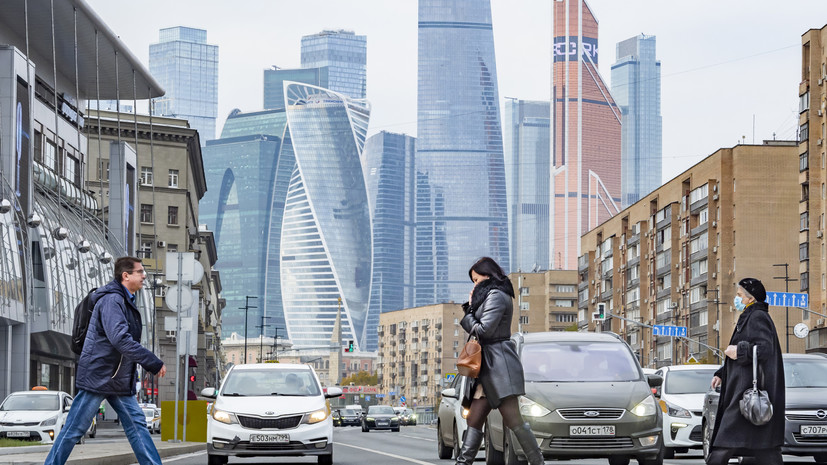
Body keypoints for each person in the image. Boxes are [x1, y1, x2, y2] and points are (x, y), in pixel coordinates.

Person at [45, 257, 167, 465]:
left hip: (116, 377)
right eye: (139, 272)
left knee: (137, 426)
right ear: (125, 275)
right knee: (74, 430)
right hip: (100, 376)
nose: (144, 276)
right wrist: (152, 362)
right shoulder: (112, 300)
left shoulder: (125, 300)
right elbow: (120, 339)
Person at [455, 257, 544, 465]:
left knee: (514, 421)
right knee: (474, 420)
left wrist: (468, 311)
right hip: (486, 369)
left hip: (499, 367)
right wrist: (471, 307)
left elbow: (485, 331)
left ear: (488, 275)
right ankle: (462, 463)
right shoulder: (489, 295)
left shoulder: (496, 295)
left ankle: (538, 462)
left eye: (476, 280)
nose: (475, 285)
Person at [707, 278, 785, 465]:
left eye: (740, 295)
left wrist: (738, 351)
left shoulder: (757, 316)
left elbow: (764, 349)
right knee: (765, 447)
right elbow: (746, 355)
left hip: (747, 392)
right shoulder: (750, 315)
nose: (737, 298)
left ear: (750, 298)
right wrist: (721, 373)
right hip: (745, 389)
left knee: (725, 442)